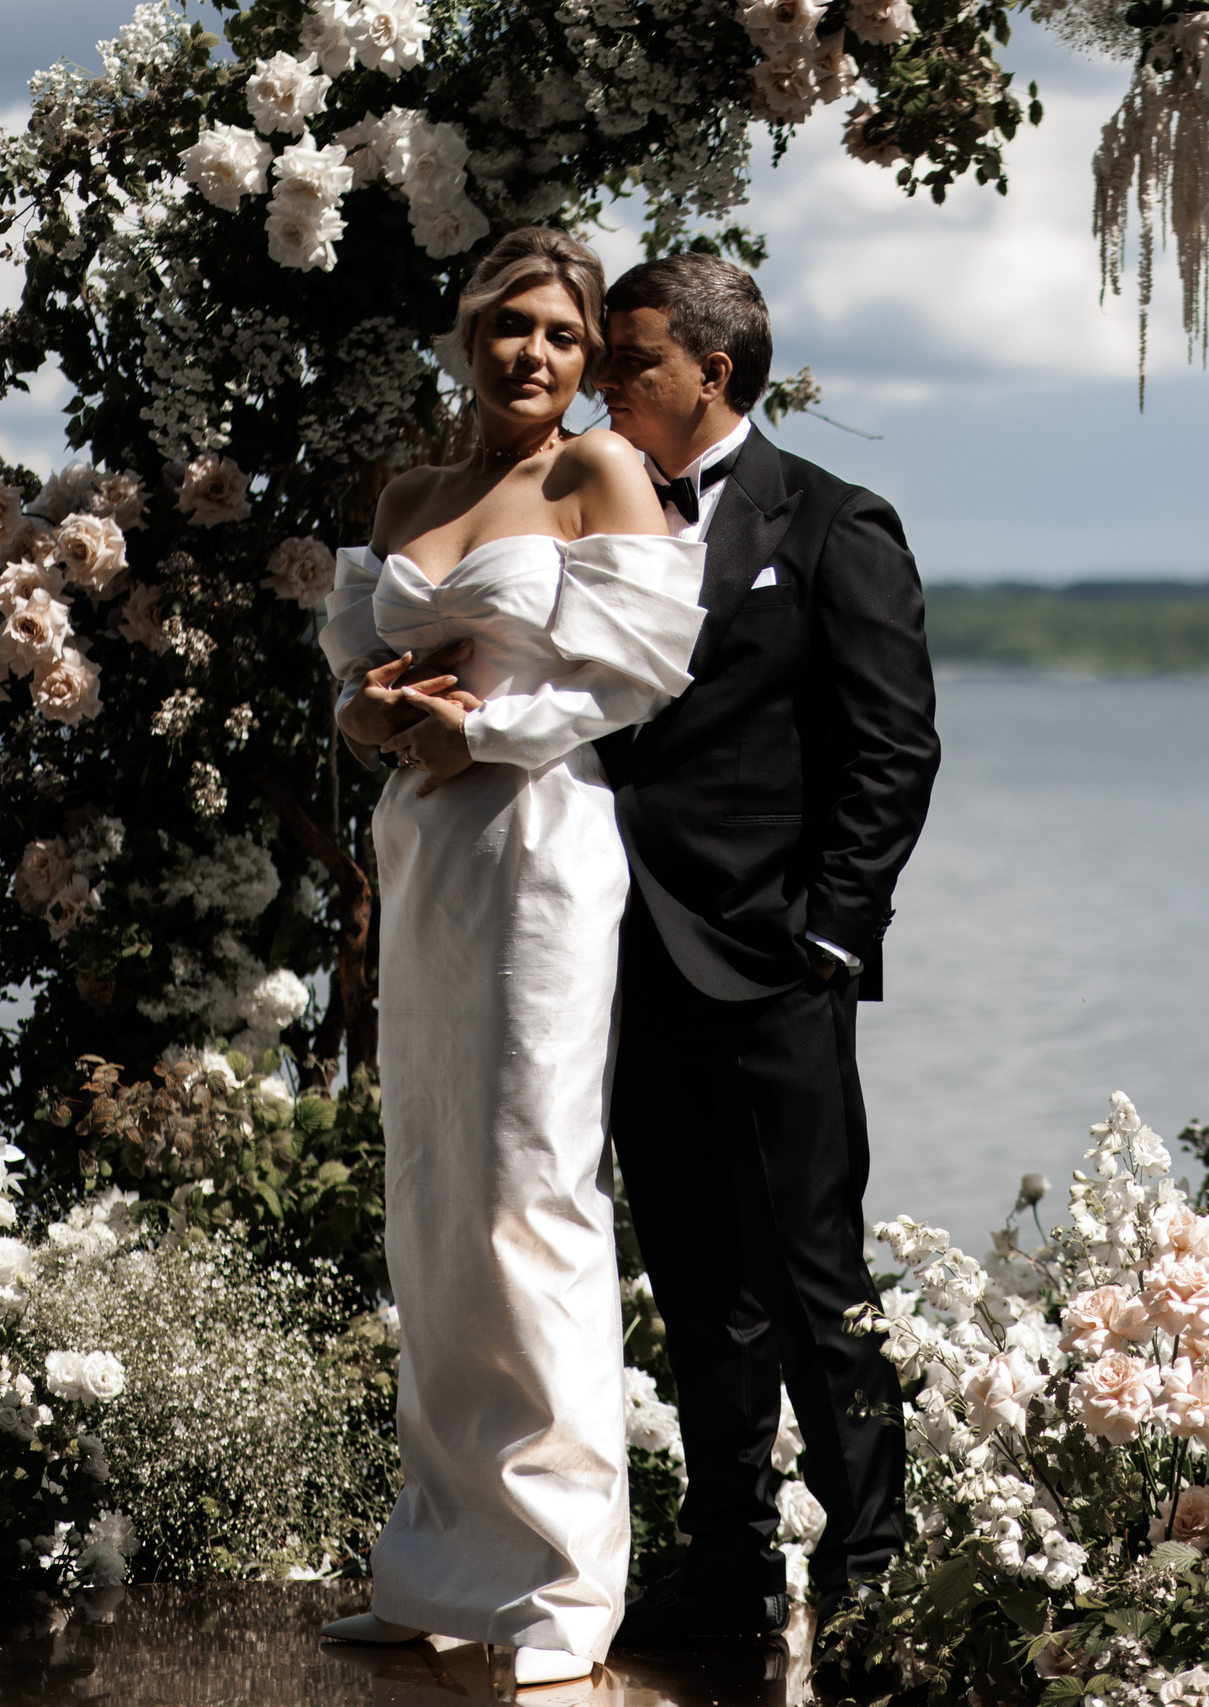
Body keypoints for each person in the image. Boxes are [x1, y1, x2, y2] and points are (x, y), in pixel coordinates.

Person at [313, 227, 701, 1689]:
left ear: (586, 351)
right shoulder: (410, 491)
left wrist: (477, 727)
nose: (529, 353)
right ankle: (435, 1562)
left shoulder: (597, 475)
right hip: (423, 852)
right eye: (504, 326)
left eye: (556, 332)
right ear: (463, 334)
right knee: (431, 1196)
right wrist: (381, 716)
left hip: (537, 842)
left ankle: (559, 1583)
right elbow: (354, 680)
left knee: (531, 1194)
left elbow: (637, 678)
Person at [591, 255, 940, 1647]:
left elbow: (892, 750)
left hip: (779, 971)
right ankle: (728, 1568)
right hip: (627, 962)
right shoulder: (597, 511)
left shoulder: (835, 522)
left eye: (633, 362)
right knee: (690, 1282)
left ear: (712, 373)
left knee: (813, 1281)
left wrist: (834, 939)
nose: (607, 386)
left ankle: (873, 1578)